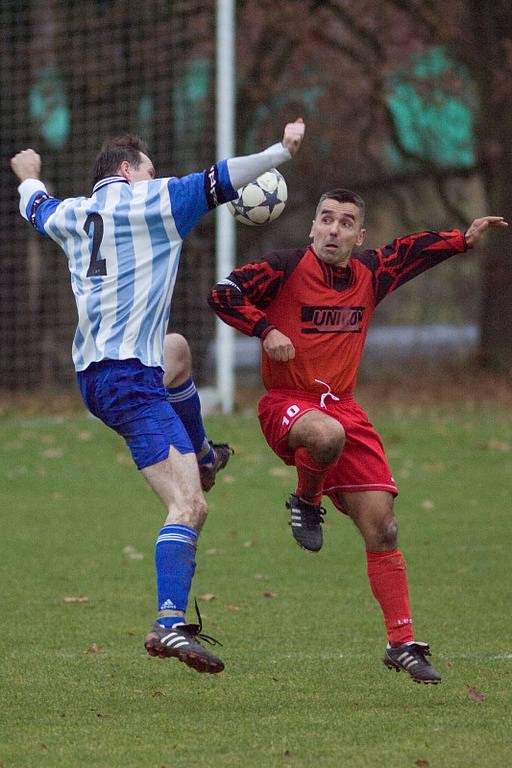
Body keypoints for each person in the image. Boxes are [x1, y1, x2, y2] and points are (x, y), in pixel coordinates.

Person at [10, 117, 305, 674]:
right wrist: (280, 152)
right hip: (127, 384)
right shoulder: (155, 202)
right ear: (129, 172)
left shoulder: (72, 213)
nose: (158, 176)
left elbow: (36, 206)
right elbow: (222, 179)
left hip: (98, 374)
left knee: (176, 350)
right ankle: (169, 623)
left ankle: (202, 453)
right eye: (150, 169)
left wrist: (28, 174)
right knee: (189, 506)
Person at [208, 188, 507, 683]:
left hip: (347, 411)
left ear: (358, 236)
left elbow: (409, 253)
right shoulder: (282, 267)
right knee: (324, 437)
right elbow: (224, 293)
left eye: (346, 223)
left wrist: (462, 239)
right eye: (325, 219)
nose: (333, 229)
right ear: (312, 228)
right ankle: (306, 500)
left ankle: (402, 643)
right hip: (288, 404)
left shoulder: (369, 272)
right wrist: (265, 330)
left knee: (384, 527)